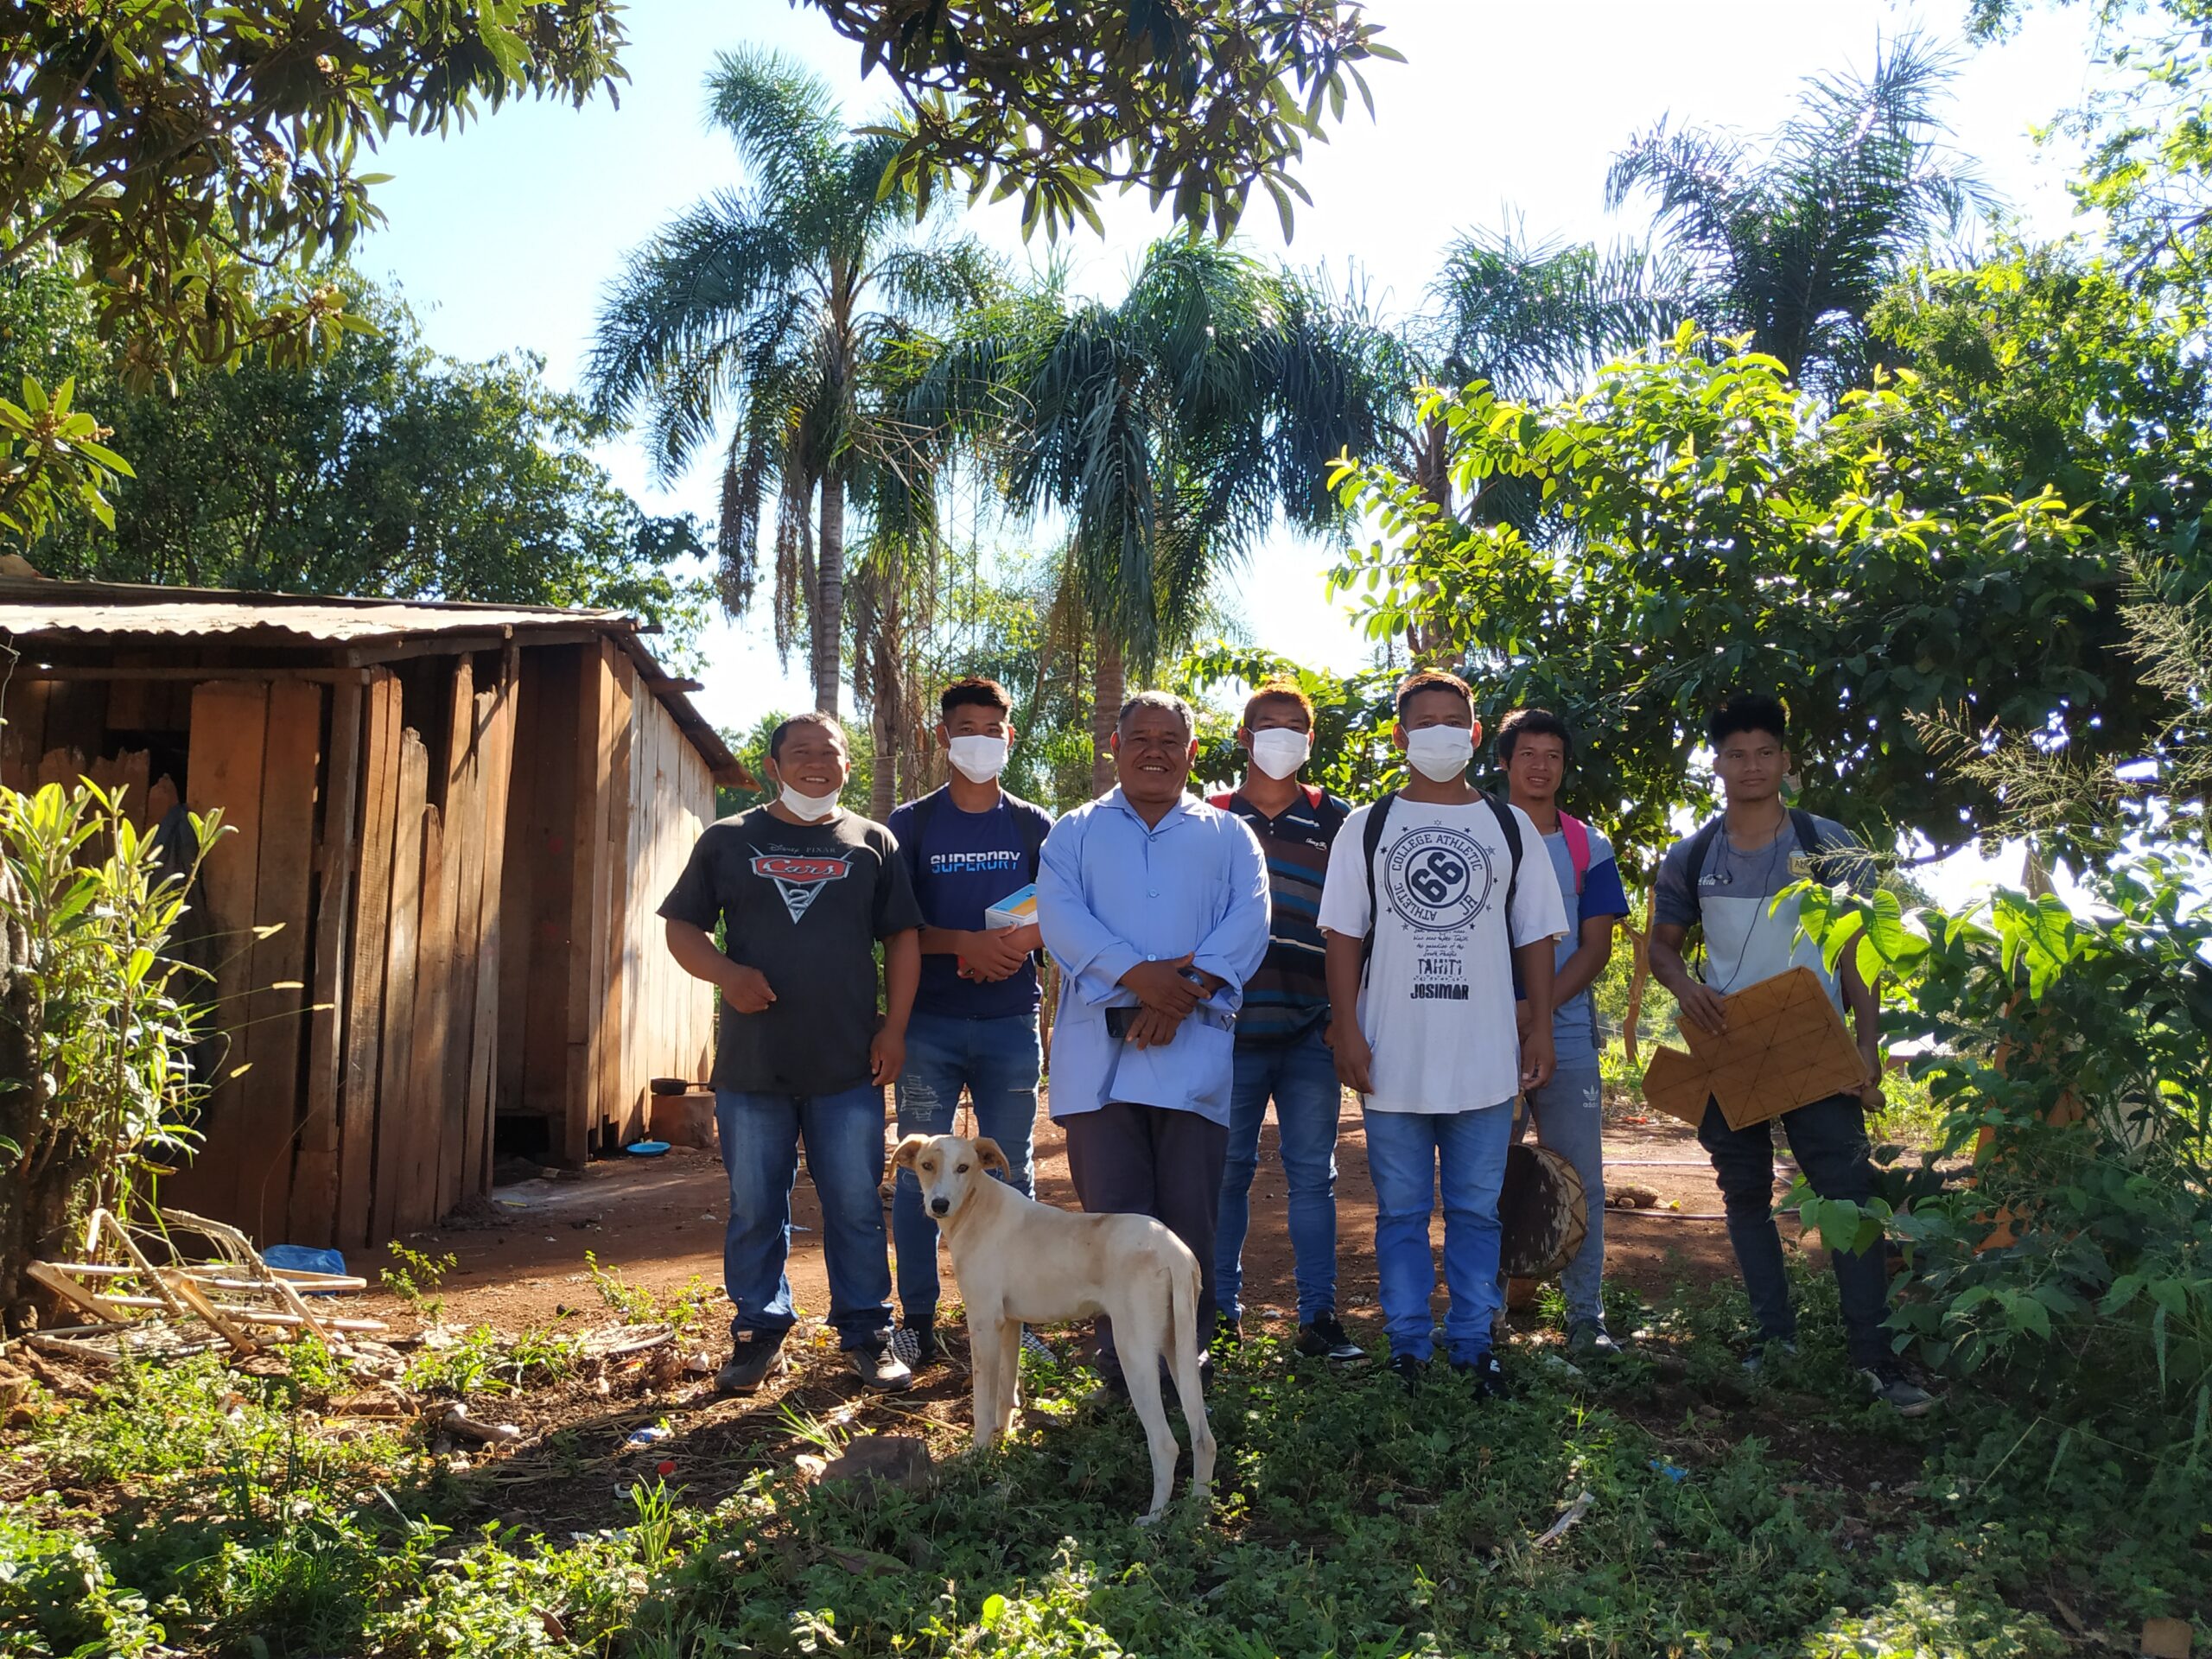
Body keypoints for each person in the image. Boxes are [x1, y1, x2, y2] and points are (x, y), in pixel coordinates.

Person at [1648, 693, 1934, 1416]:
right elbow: (1662, 946)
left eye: (1765, 752)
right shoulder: (1692, 855)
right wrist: (1684, 988)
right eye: (1736, 753)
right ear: (1717, 764)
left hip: (1814, 1050)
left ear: (1784, 759)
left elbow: (1858, 954)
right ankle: (1773, 1339)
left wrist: (1866, 1047)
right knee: (1744, 1198)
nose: (1751, 766)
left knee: (1849, 1198)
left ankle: (1875, 1357)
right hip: (1727, 1050)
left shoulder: (1828, 843)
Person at [1317, 670, 1567, 1393]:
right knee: (1399, 1212)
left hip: (1486, 1057)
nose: (1439, 734)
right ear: (1399, 737)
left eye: (1452, 721)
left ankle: (1472, 1343)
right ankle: (1407, 1347)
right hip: (1391, 1055)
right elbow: (1343, 939)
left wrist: (1540, 1029)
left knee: (1475, 1211)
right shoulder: (1365, 828)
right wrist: (1349, 1029)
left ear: (1476, 733)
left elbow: (1537, 939)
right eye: (1423, 723)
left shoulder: (1508, 827)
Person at [659, 711, 924, 1396]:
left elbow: (901, 941)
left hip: (848, 1065)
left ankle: (867, 1331)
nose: (816, 763)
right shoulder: (729, 839)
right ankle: (758, 1330)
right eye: (799, 753)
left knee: (856, 1202)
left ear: (847, 765)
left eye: (829, 753)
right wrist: (727, 975)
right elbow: (683, 928)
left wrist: (894, 1030)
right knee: (755, 1203)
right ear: (773, 767)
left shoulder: (874, 842)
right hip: (754, 1066)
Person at [1034, 690, 1270, 1387]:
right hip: (1099, 1060)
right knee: (1114, 1216)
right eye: (1142, 738)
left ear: (1193, 753)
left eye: (1172, 740)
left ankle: (1184, 1354)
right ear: (1115, 745)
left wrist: (1180, 994)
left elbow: (1249, 921)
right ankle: (1120, 1359)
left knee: (1188, 1216)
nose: (1156, 752)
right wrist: (1141, 979)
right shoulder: (1073, 833)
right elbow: (1061, 919)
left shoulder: (1228, 836)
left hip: (1191, 1048)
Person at [883, 677, 1056, 1369]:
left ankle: (1023, 1313)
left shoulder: (1035, 825)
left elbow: (1062, 914)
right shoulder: (910, 825)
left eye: (993, 729)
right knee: (920, 1176)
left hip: (1011, 1022)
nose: (979, 741)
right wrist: (965, 946)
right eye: (966, 728)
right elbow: (895, 927)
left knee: (1011, 1175)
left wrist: (1010, 948)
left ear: (1009, 737)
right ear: (941, 737)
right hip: (928, 1025)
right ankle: (918, 1323)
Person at [1207, 678, 1363, 1360]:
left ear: (1310, 739)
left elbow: (1366, 925)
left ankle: (1318, 1321)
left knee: (1313, 1174)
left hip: (1312, 1032)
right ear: (1243, 738)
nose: (1280, 737)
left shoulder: (1343, 822)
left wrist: (1344, 1016)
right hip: (1228, 1031)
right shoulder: (1208, 817)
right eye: (1266, 725)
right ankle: (1219, 1314)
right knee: (1227, 1172)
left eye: (1293, 726)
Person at [1495, 708, 1631, 1358]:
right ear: (1505, 763)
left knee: (1582, 1176)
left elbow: (1595, 948)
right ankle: (1484, 1314)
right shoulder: (1479, 832)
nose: (1541, 766)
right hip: (1485, 1033)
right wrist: (1512, 1014)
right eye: (1528, 754)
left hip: (1568, 1033)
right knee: (1485, 1174)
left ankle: (1586, 1317)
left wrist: (1538, 1014)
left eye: (1553, 754)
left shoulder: (1587, 844)